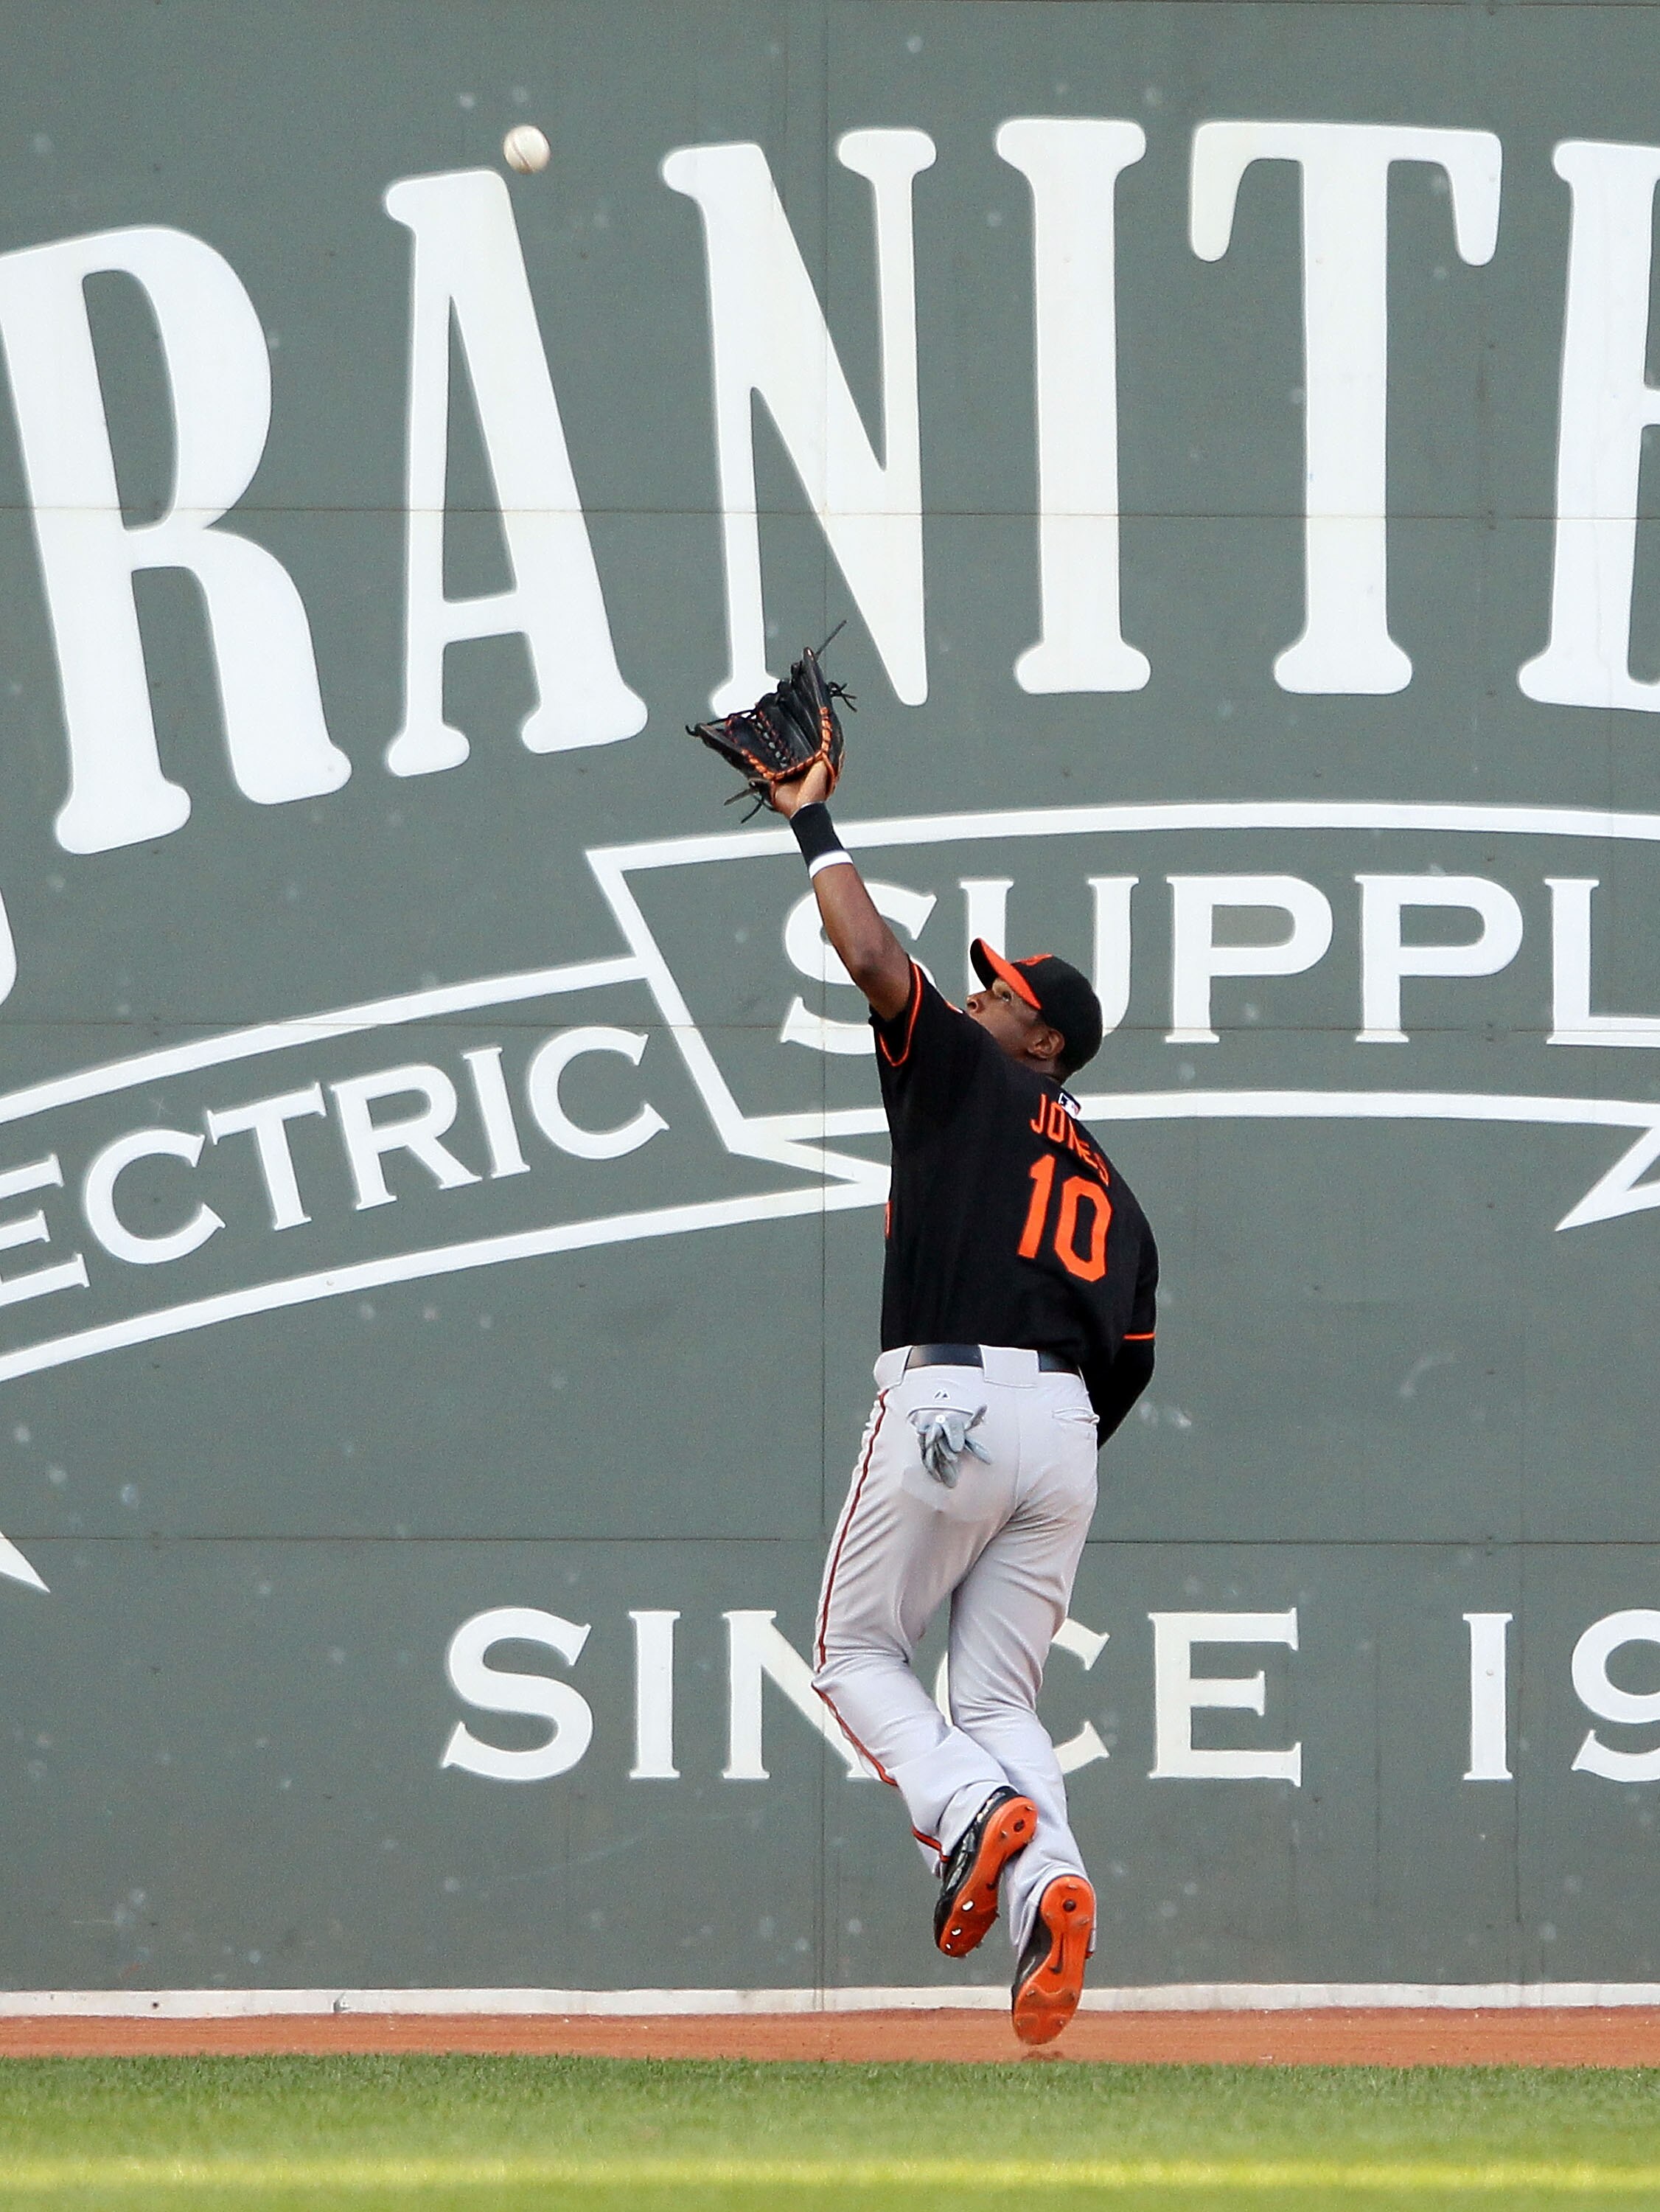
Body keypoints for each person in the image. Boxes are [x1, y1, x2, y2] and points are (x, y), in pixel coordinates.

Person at [772, 758, 1158, 2046]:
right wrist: (1047, 1457)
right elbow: (1136, 1355)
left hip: (953, 1397)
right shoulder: (1114, 1182)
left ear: (1044, 1043)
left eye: (1007, 996)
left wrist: (808, 820)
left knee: (853, 1655)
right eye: (986, 986)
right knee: (999, 1705)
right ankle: (1049, 1882)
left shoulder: (967, 1075)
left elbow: (868, 949)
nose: (983, 996)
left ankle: (960, 1812)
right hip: (1068, 1437)